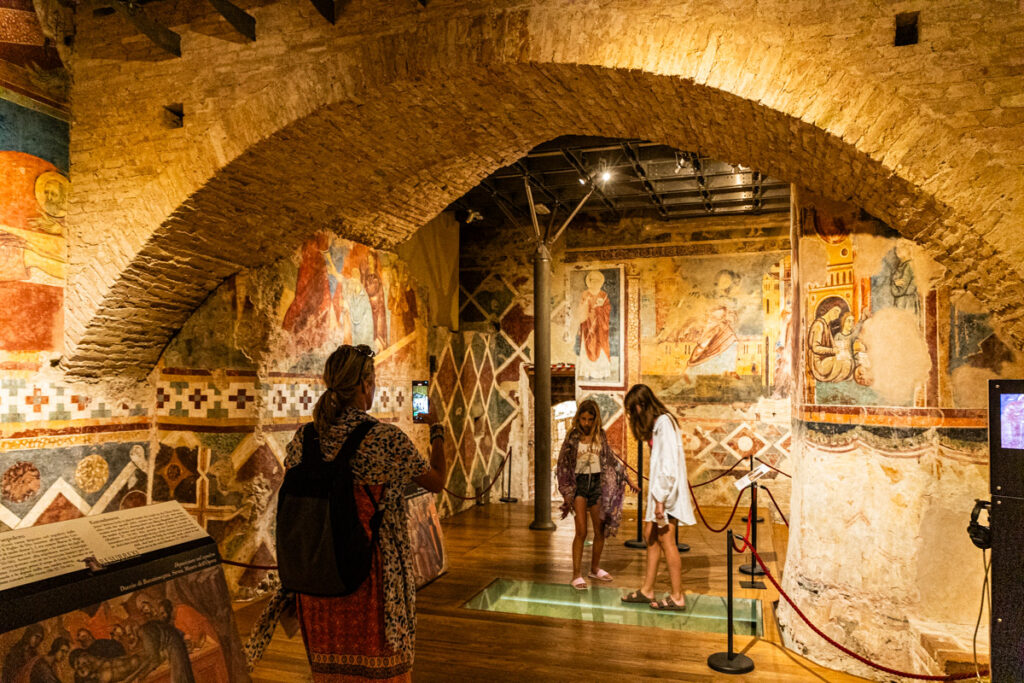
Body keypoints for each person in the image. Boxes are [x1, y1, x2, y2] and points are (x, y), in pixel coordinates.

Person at [277, 344, 446, 681]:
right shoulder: (385, 439)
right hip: (370, 574)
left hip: (318, 573)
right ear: (364, 385)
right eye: (373, 380)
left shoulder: (304, 438)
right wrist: (437, 428)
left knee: (329, 668)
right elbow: (437, 481)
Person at [620, 384, 696, 611]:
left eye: (634, 411)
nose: (634, 417)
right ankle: (647, 589)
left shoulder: (664, 424)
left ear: (641, 405)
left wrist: (660, 500)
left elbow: (668, 465)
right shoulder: (657, 425)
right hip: (658, 494)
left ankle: (677, 596)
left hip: (666, 494)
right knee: (650, 535)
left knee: (666, 540)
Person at [554, 399, 636, 590]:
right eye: (583, 419)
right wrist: (566, 492)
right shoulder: (573, 437)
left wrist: (627, 479)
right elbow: (563, 464)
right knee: (581, 531)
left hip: (597, 485)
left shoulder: (600, 436)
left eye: (590, 419)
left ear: (595, 419)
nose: (586, 423)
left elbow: (610, 459)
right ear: (578, 418)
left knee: (599, 531)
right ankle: (576, 574)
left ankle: (594, 568)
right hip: (579, 486)